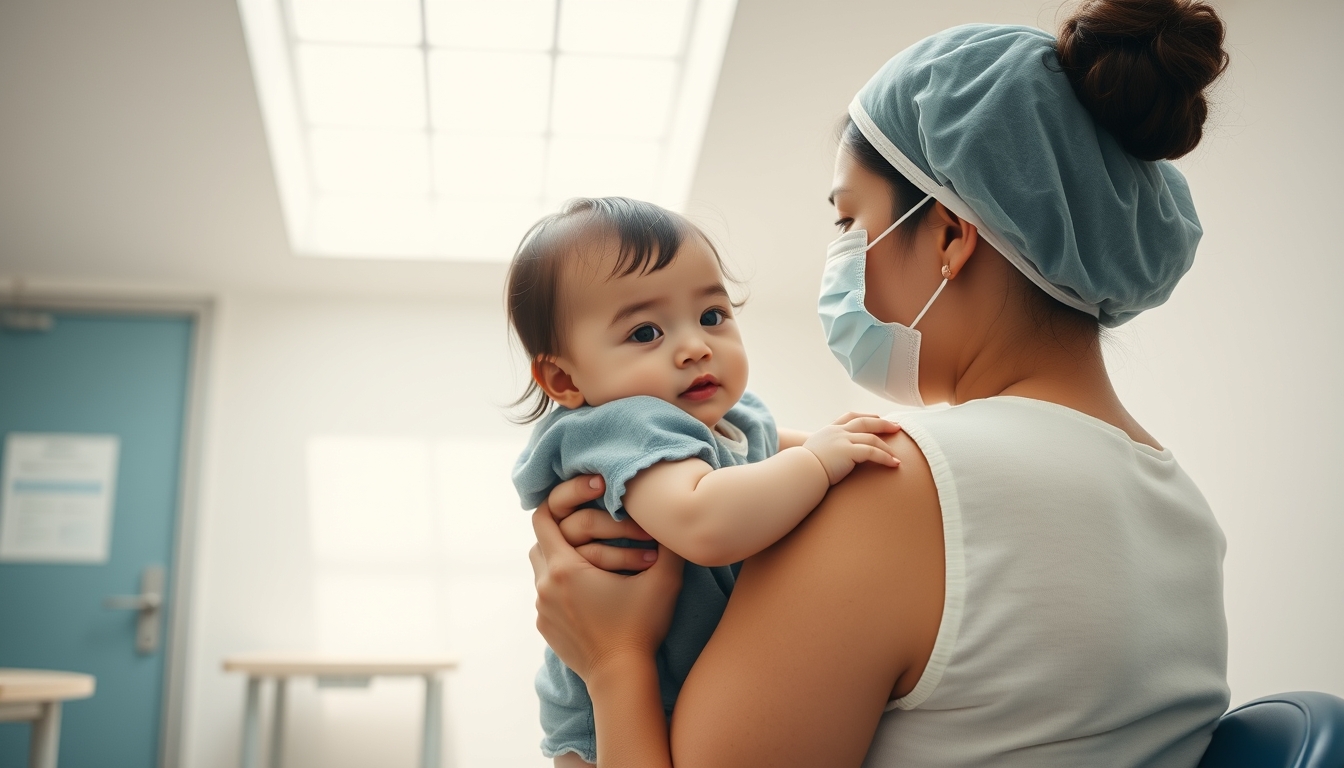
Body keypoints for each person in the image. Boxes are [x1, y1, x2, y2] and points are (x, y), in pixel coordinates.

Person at [527, 1, 1233, 766]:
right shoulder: (1189, 518)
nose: (841, 259)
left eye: (848, 224)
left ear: (951, 238)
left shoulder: (899, 484)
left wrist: (611, 661)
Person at [505, 196, 903, 764]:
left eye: (712, 316)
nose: (694, 347)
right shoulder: (628, 427)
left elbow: (771, 449)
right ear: (565, 378)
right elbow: (703, 521)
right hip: (599, 729)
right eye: (645, 332)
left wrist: (828, 442)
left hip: (680, 687)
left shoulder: (731, 420)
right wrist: (818, 462)